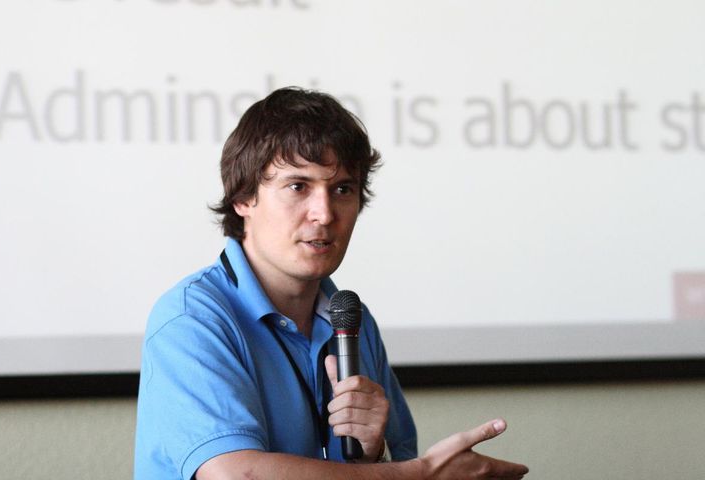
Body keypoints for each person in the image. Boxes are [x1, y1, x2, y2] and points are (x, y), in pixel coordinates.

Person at [134, 87, 529, 480]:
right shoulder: (191, 318)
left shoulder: (353, 320)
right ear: (243, 198)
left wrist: (374, 453)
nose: (324, 214)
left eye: (342, 189)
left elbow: (396, 466)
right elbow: (237, 476)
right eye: (298, 186)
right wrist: (424, 473)